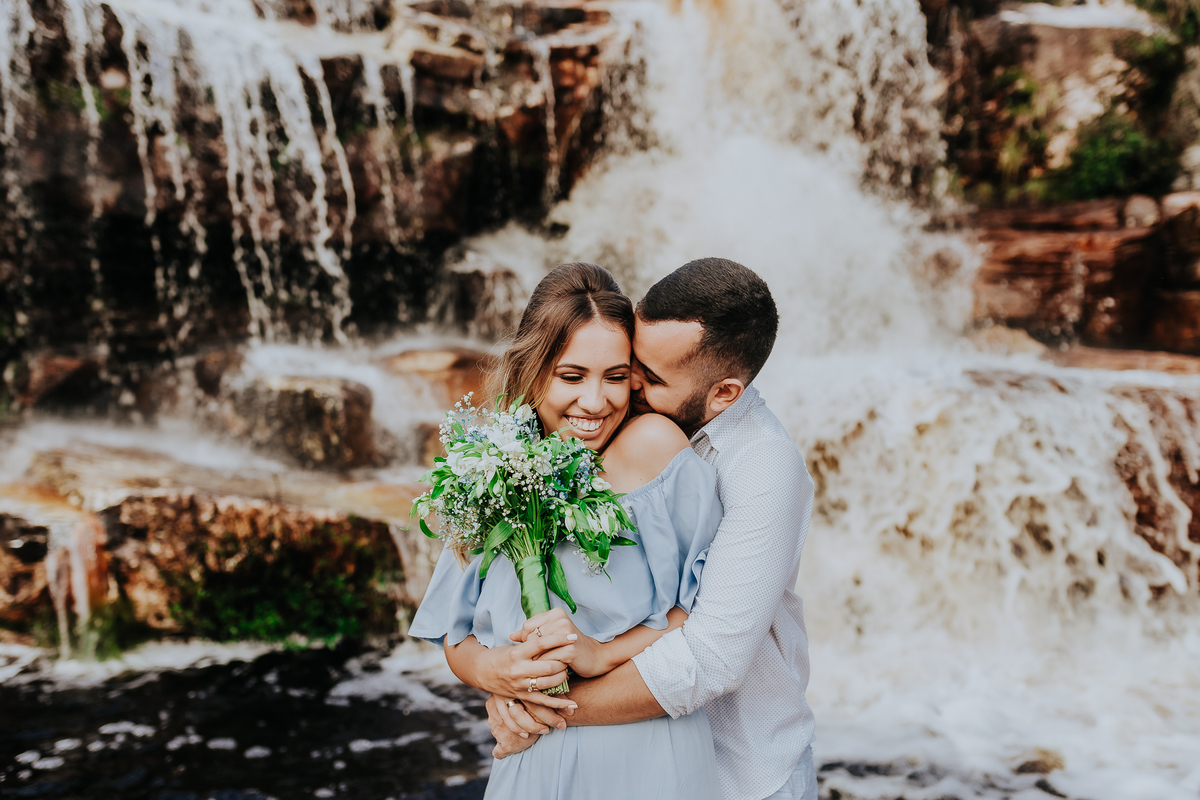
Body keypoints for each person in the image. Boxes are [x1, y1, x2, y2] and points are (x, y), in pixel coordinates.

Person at [487, 257, 818, 800]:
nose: (626, 385)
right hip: (619, 764)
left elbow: (710, 659)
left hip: (739, 771)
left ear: (724, 394)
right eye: (631, 362)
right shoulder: (604, 431)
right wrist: (505, 677)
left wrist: (539, 711)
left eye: (651, 377)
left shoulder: (764, 469)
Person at [408, 261, 725, 799]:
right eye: (572, 376)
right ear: (535, 370)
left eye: (616, 376)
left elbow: (707, 616)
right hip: (534, 752)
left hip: (644, 750)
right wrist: (495, 674)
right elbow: (456, 635)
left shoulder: (653, 449)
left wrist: (601, 652)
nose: (596, 403)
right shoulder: (497, 470)